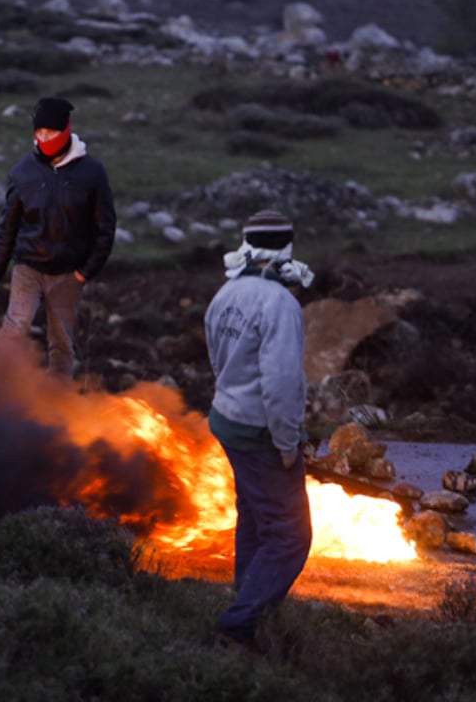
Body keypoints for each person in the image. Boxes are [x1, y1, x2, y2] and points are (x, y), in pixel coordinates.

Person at [204, 209, 315, 648]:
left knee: (252, 512)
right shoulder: (280, 305)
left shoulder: (226, 294)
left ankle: (246, 595)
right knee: (290, 534)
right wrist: (287, 442)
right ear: (286, 249)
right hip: (259, 431)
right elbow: (282, 382)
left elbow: (217, 358)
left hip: (227, 420)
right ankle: (242, 619)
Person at [0, 97, 116, 377]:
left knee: (61, 342)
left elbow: (106, 228)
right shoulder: (23, 173)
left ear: (66, 129)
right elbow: (7, 229)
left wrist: (84, 273)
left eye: (51, 132)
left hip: (68, 273)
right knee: (15, 327)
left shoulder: (91, 173)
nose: (44, 138)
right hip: (29, 266)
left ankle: (58, 406)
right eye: (39, 132)